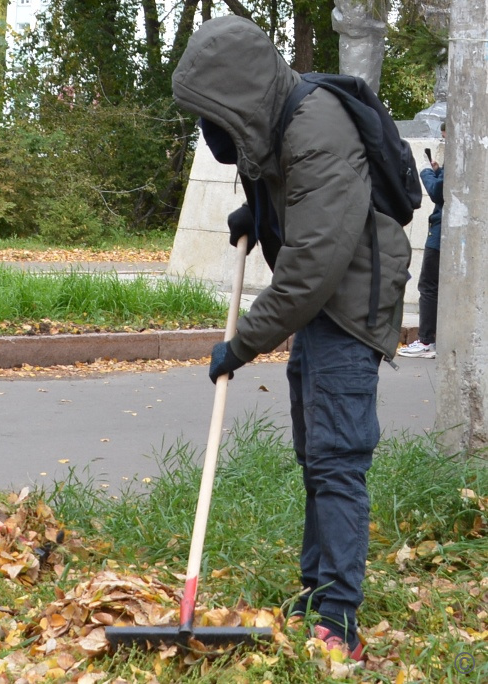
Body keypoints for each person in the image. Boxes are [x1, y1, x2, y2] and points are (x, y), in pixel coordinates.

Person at [172, 16, 412, 660]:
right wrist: (261, 209)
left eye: (215, 116)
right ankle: (317, 590)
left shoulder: (318, 127)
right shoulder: (276, 122)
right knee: (317, 454)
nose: (211, 132)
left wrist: (242, 342)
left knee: (337, 458)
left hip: (348, 307)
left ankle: (339, 617)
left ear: (241, 97)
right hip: (321, 307)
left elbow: (312, 265)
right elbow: (292, 197)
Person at [399, 122, 444, 359]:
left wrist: (426, 171)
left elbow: (438, 192)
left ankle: (426, 340)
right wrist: (438, 172)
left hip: (440, 233)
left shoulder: (460, 156)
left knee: (428, 286)